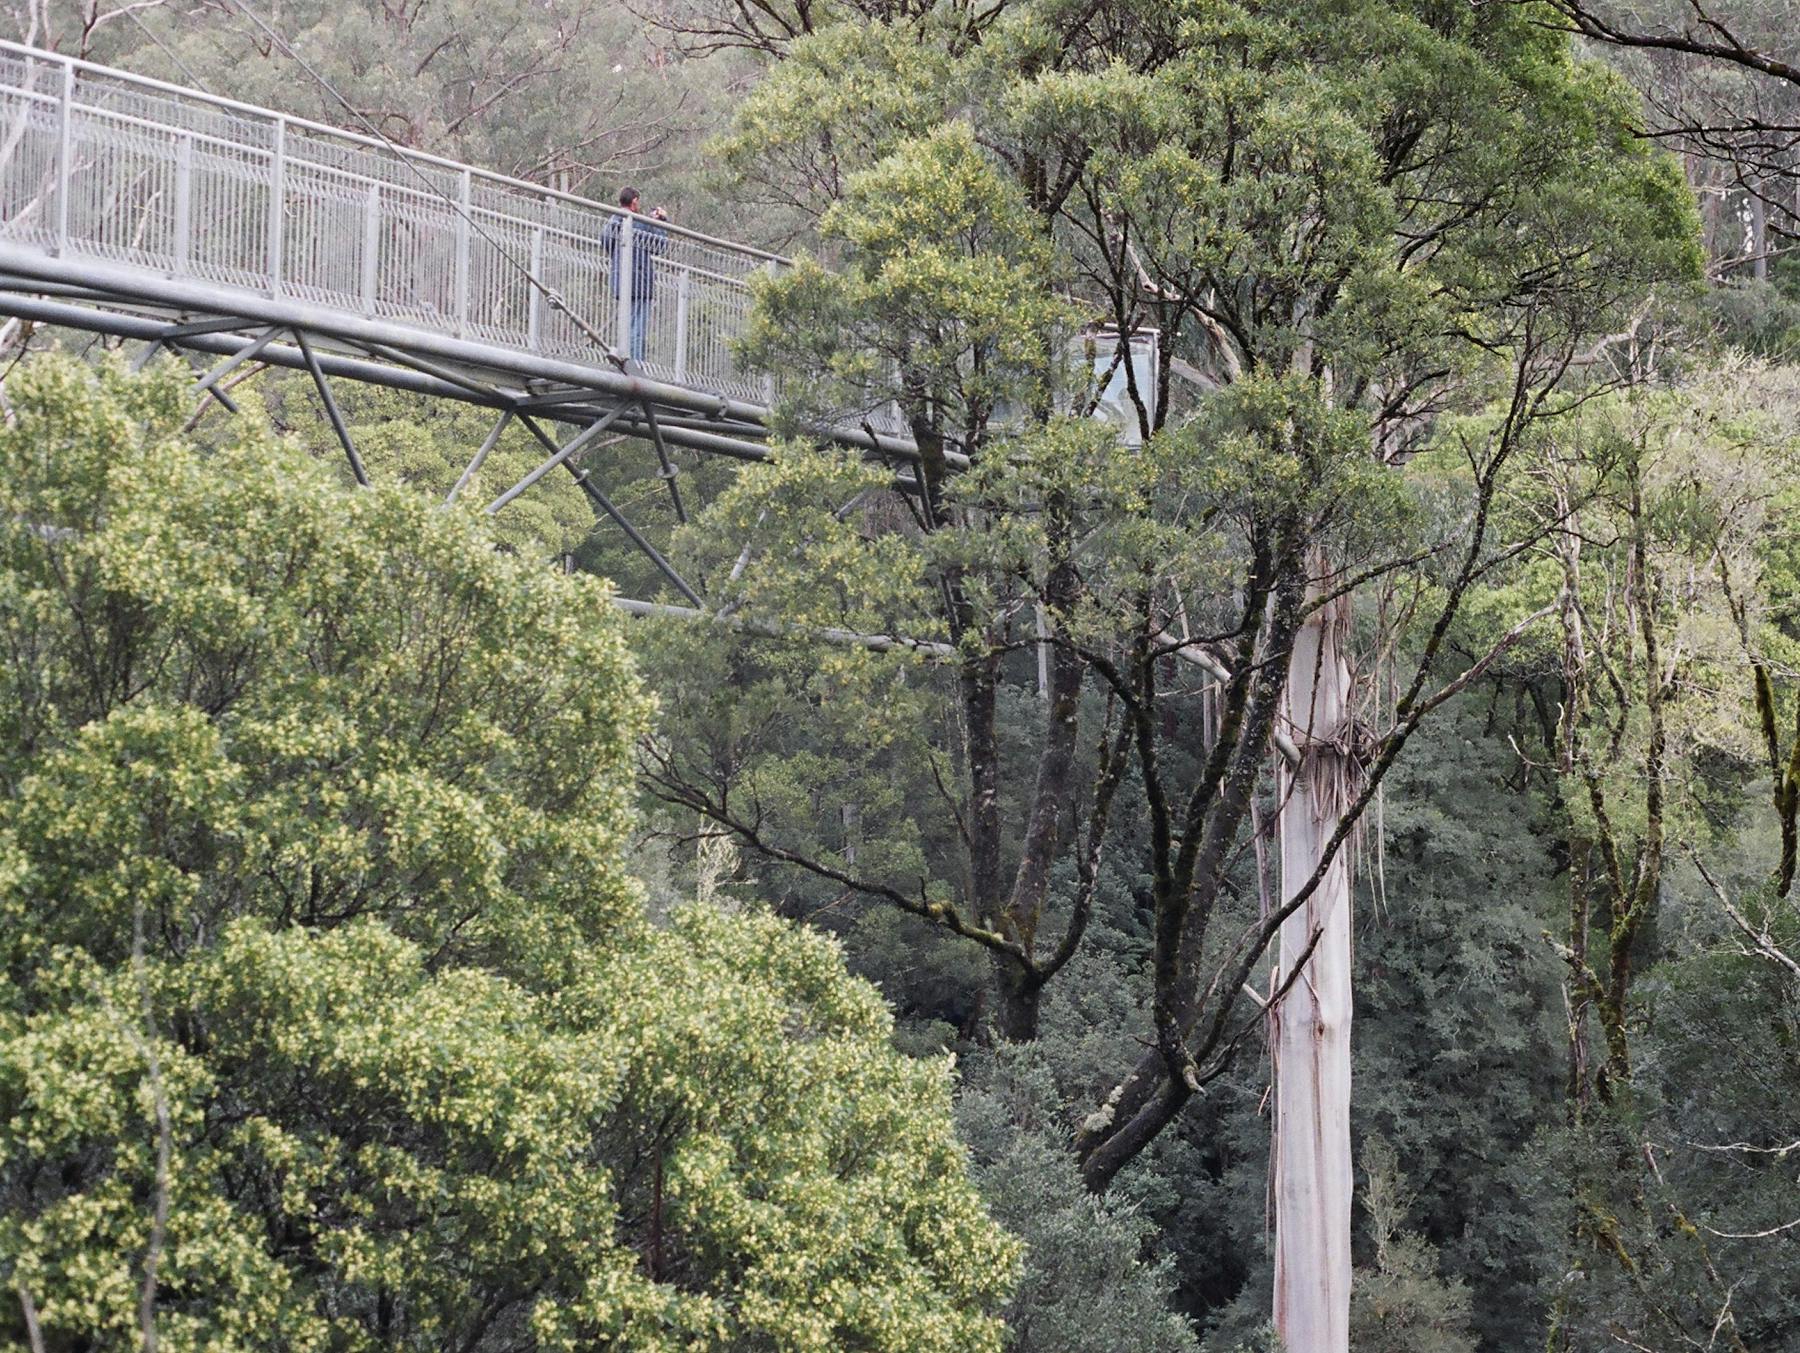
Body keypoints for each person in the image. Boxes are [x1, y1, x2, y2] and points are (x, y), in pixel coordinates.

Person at [599, 186, 668, 364]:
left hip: (620, 280)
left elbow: (606, 243)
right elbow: (660, 246)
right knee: (637, 327)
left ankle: (623, 357)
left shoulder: (613, 220)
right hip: (640, 282)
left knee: (626, 323)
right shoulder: (638, 222)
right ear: (635, 201)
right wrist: (660, 223)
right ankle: (635, 363)